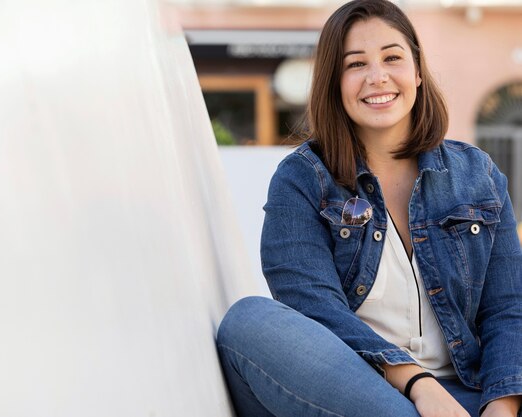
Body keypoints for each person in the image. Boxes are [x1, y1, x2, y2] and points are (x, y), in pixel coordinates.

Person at [216, 1, 522, 416]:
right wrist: (417, 382)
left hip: (474, 393)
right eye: (355, 64)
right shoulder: (301, 181)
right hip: (365, 396)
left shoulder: (477, 174)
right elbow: (315, 311)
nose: (377, 77)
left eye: (392, 58)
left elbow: (508, 308)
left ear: (416, 70)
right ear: (334, 83)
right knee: (248, 323)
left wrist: (502, 407)